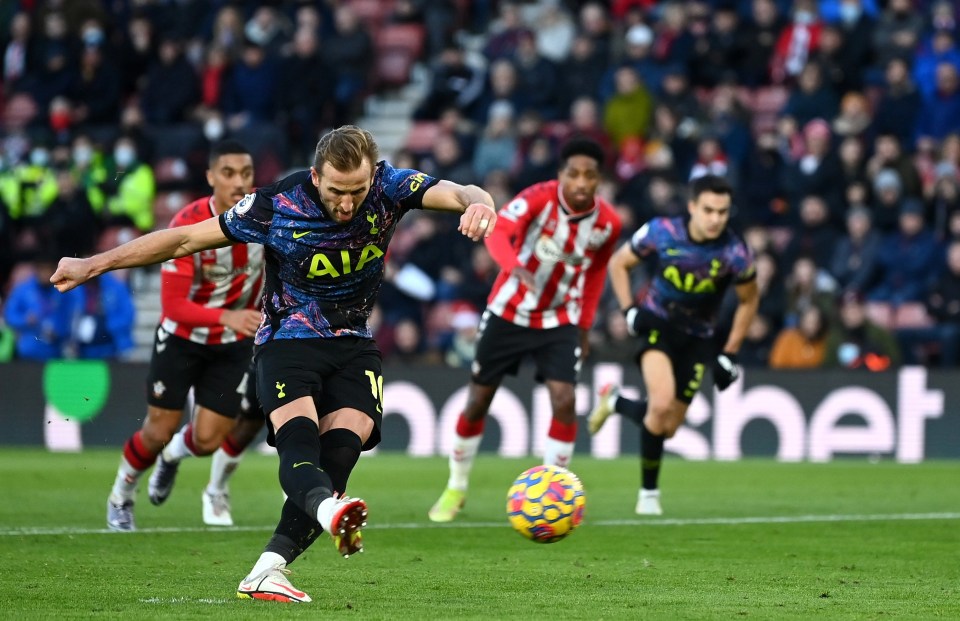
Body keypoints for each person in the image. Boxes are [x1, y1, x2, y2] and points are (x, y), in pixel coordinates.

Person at [51, 125, 497, 603]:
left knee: (342, 455)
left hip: (354, 344)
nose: (347, 205)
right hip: (288, 342)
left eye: (357, 192)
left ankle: (268, 568)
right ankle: (326, 514)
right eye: (335, 192)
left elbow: (457, 190)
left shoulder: (390, 185)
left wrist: (481, 202)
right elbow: (182, 240)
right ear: (314, 176)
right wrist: (92, 264)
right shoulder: (276, 203)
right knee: (300, 444)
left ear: (373, 178)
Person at [428, 138, 622, 523]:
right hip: (509, 312)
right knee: (478, 400)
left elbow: (597, 273)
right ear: (561, 174)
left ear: (599, 179)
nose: (581, 182)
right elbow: (498, 231)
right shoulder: (538, 198)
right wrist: (513, 266)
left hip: (559, 319)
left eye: (590, 175)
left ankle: (558, 493)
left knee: (565, 401)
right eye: (574, 173)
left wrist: (584, 325)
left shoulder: (608, 224)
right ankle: (456, 487)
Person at [89, 140, 264, 532]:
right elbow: (173, 306)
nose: (239, 182)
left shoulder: (264, 220)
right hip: (183, 339)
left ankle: (171, 457)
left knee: (206, 442)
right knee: (157, 430)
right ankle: (121, 495)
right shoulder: (188, 224)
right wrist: (229, 317)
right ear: (210, 177)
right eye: (229, 173)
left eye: (247, 174)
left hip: (230, 346)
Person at [586, 174, 758, 515]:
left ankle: (616, 402)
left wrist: (731, 352)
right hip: (658, 325)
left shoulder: (735, 253)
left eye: (723, 212)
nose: (715, 219)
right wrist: (629, 310)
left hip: (699, 339)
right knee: (661, 404)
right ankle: (648, 496)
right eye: (708, 210)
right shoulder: (662, 231)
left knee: (669, 426)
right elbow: (620, 263)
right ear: (692, 207)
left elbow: (749, 300)